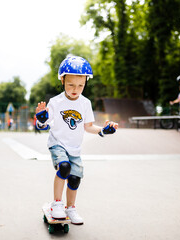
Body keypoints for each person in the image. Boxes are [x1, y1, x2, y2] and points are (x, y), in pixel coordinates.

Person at [35, 55, 118, 225]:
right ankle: (56, 204)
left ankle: (70, 208)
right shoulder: (56, 102)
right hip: (57, 143)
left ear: (86, 83)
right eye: (71, 84)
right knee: (64, 167)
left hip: (75, 148)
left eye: (80, 85)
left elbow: (88, 126)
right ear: (62, 80)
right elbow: (43, 126)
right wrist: (41, 119)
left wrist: (103, 131)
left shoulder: (85, 103)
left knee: (74, 178)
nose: (75, 89)